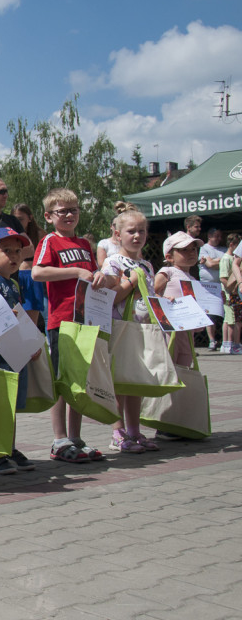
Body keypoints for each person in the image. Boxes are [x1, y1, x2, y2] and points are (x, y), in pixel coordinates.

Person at [32, 188, 118, 463]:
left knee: (78, 381)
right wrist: (76, 271)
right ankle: (59, 440)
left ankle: (76, 438)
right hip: (61, 321)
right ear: (49, 216)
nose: (69, 215)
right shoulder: (50, 241)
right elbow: (37, 272)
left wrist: (101, 276)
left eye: (74, 210)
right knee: (61, 381)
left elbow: (92, 273)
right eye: (62, 211)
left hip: (86, 320)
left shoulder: (83, 244)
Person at [0, 227, 39, 474]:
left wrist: (31, 343)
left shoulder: (13, 283)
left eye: (17, 251)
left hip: (15, 353)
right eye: (6, 251)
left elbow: (20, 316)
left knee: (11, 405)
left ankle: (9, 447)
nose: (13, 256)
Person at [100, 204, 160, 453]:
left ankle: (135, 431)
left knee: (135, 381)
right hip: (120, 328)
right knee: (118, 383)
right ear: (118, 235)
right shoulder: (113, 263)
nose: (137, 236)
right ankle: (118, 432)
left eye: (142, 231)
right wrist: (131, 281)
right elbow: (110, 298)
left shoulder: (147, 265)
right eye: (131, 231)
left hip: (141, 329)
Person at [155, 231, 202, 367]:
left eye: (193, 249)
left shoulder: (193, 279)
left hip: (187, 332)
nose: (191, 253)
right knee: (169, 365)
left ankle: (183, 388)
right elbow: (152, 291)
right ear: (169, 257)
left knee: (185, 365)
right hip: (170, 330)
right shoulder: (167, 272)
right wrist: (163, 299)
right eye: (184, 250)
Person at [12, 203, 45, 326]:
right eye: (14, 219)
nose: (17, 223)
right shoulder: (10, 235)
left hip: (32, 278)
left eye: (21, 219)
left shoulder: (39, 234)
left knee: (32, 322)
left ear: (30, 218)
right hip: (16, 277)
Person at [199, 228, 226, 350]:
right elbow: (209, 264)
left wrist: (212, 261)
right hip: (208, 287)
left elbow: (211, 263)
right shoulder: (204, 248)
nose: (219, 239)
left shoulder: (223, 249)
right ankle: (212, 341)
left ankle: (226, 341)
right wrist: (221, 261)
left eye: (220, 236)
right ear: (209, 236)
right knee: (210, 314)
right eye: (217, 236)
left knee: (226, 313)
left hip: (222, 286)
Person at [219, 233, 242, 354]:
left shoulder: (230, 258)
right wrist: (230, 289)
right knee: (232, 320)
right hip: (230, 293)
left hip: (232, 292)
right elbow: (223, 277)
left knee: (231, 319)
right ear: (232, 245)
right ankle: (230, 344)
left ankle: (228, 344)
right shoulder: (227, 259)